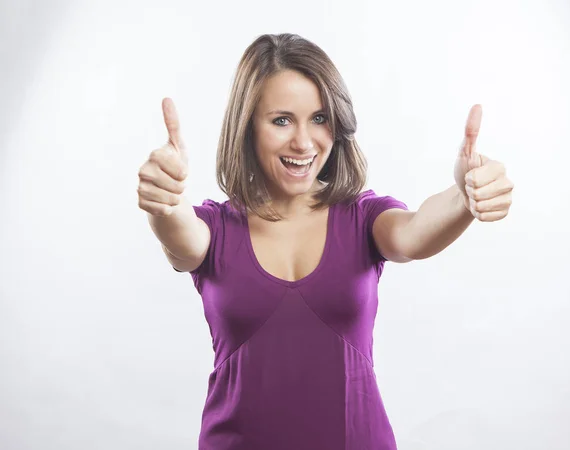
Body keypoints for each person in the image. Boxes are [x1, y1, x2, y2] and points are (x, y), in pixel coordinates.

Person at [137, 33, 513, 450]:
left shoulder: (363, 217)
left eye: (319, 118)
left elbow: (414, 234)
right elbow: (181, 236)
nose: (304, 142)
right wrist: (164, 201)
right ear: (247, 127)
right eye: (281, 120)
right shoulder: (215, 229)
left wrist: (464, 195)